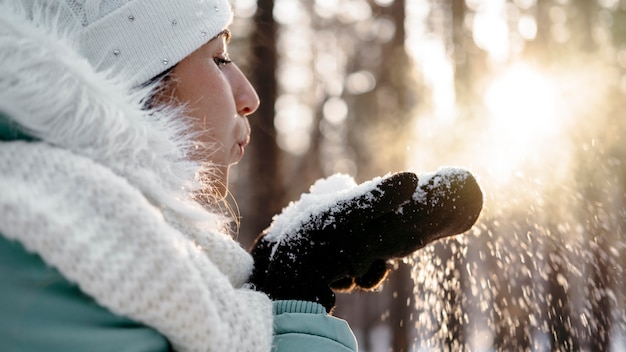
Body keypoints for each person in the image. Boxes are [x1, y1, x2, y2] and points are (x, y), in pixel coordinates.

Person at [0, 0, 483, 351]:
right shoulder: (45, 262)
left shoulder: (100, 251)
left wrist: (280, 291)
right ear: (130, 83)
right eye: (217, 58)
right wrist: (295, 298)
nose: (248, 95)